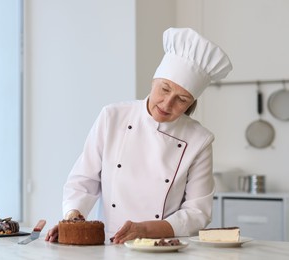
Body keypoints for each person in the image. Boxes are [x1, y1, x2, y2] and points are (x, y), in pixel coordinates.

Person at [45, 27, 233, 244]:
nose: (167, 103)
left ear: (191, 103)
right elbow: (83, 181)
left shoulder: (199, 140)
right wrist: (73, 221)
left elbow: (198, 212)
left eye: (181, 99)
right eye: (164, 89)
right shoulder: (112, 116)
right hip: (109, 244)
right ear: (154, 80)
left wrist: (144, 229)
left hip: (163, 247)